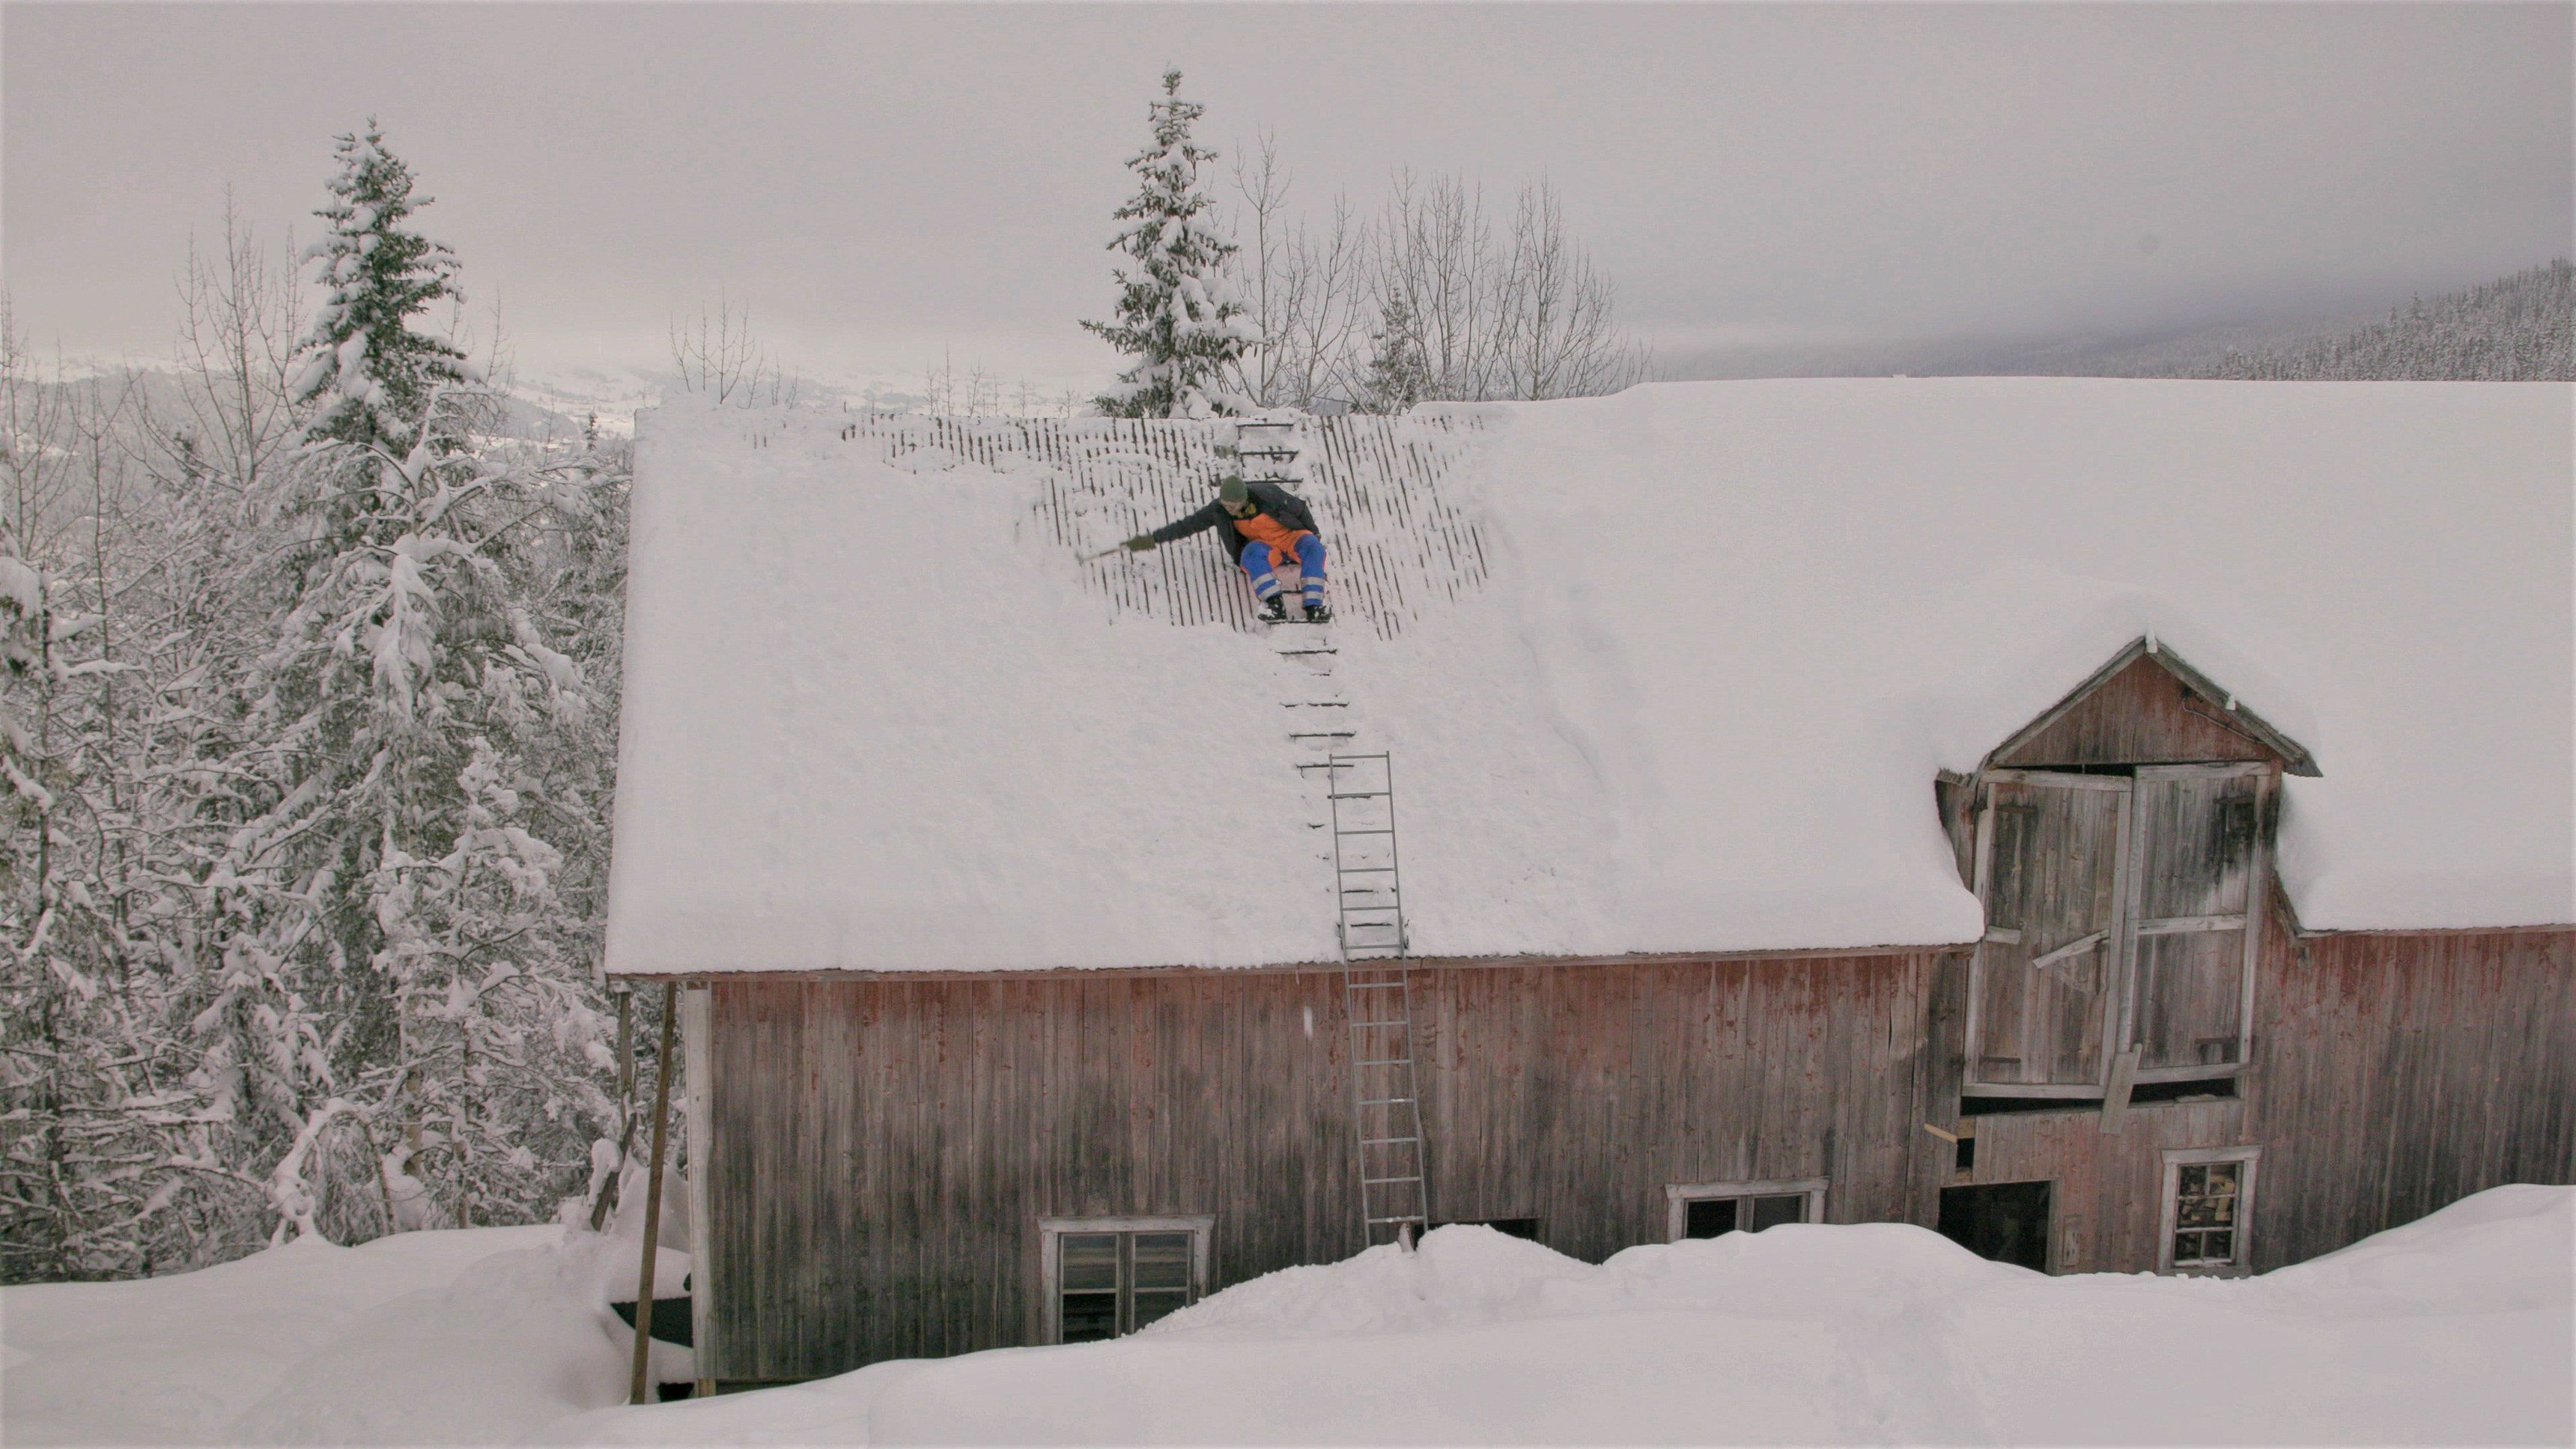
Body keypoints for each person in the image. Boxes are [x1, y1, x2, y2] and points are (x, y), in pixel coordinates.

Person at [1124, 473, 1332, 623]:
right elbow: (1187, 525)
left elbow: (1301, 508)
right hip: (1267, 548)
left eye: (1232, 505)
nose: (1227, 509)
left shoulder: (1269, 496)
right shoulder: (1219, 510)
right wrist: (1152, 539)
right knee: (1250, 554)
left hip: (1291, 537)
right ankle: (1273, 603)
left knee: (1313, 547)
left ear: (1243, 500)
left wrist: (1313, 532)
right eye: (1225, 504)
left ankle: (1314, 605)